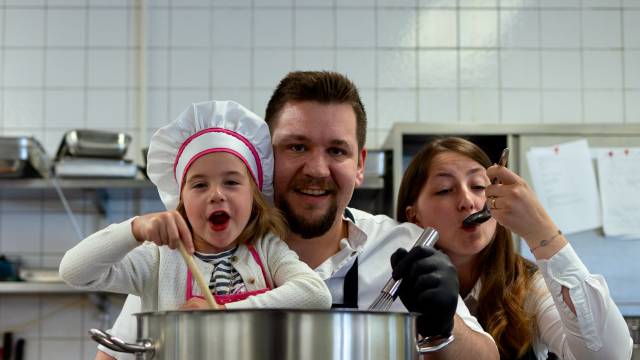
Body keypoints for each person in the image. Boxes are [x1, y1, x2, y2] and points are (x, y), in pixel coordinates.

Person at [94, 72, 500, 360]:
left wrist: (443, 325)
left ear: (359, 165)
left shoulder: (398, 248)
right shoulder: (194, 253)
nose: (317, 169)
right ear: (266, 159)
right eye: (296, 147)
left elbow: (485, 358)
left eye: (337, 151)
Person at [59, 100, 332, 313]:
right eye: (200, 185)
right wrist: (136, 229)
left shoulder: (266, 249)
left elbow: (316, 294)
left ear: (254, 197)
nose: (216, 194)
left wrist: (223, 311)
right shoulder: (159, 259)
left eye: (232, 183)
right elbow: (74, 272)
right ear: (182, 202)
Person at [396, 137, 633, 359]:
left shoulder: (529, 287)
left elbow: (607, 355)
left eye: (479, 186)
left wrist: (542, 230)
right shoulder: (391, 285)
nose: (468, 202)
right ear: (413, 216)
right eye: (445, 189)